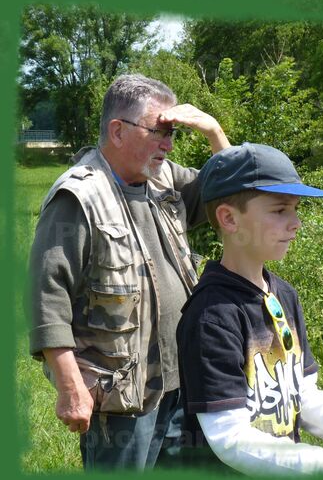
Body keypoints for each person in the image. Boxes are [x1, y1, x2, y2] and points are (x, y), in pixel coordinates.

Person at [28, 73, 230, 471]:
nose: (168, 145)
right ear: (117, 131)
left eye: (173, 134)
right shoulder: (80, 196)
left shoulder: (166, 179)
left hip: (180, 385)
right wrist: (70, 385)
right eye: (159, 131)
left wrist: (215, 134)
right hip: (121, 399)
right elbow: (46, 295)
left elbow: (234, 194)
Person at [176, 142, 323, 475]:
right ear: (229, 218)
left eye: (296, 209)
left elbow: (301, 395)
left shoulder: (283, 295)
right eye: (279, 210)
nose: (296, 223)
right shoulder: (212, 315)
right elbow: (230, 440)